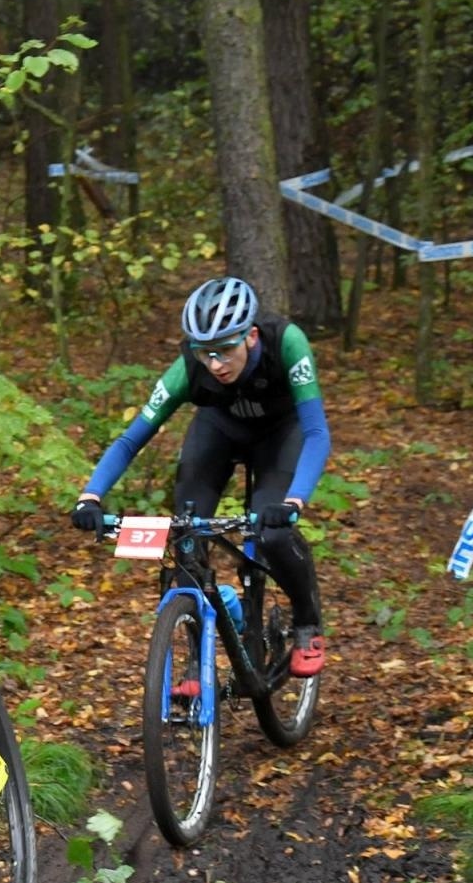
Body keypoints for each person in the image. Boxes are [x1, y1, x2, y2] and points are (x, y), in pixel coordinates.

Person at [70, 276, 330, 678]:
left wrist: (294, 500)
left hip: (282, 436)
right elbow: (131, 439)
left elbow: (316, 431)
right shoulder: (188, 368)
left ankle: (307, 623)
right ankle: (196, 664)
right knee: (186, 538)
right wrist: (91, 496)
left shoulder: (286, 343)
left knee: (272, 533)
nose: (215, 365)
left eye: (225, 351)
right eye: (205, 353)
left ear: (251, 336)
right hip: (220, 432)